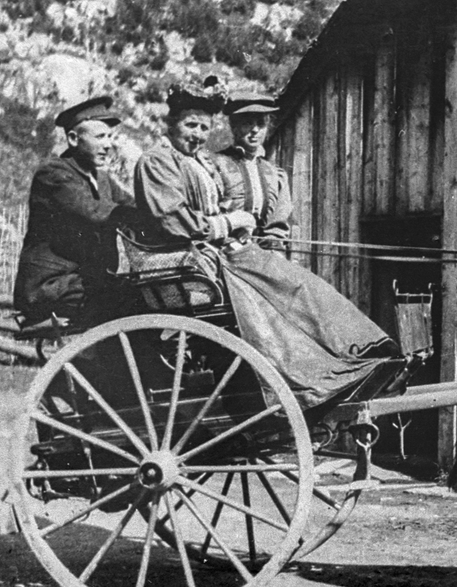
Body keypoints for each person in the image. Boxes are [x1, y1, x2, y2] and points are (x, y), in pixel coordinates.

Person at [133, 80, 399, 409]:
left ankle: (357, 350)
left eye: (203, 127)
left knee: (298, 285)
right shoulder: (157, 162)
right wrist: (231, 224)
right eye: (190, 125)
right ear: (171, 126)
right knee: (293, 288)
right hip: (199, 258)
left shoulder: (196, 163)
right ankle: (321, 376)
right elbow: (174, 221)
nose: (198, 134)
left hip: (221, 251)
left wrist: (242, 231)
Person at [13, 96, 141, 327]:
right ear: (73, 139)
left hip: (83, 282)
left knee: (145, 293)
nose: (108, 144)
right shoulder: (53, 174)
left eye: (110, 137)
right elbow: (93, 212)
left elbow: (132, 206)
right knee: (132, 299)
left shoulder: (102, 179)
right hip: (51, 286)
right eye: (100, 136)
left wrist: (162, 215)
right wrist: (137, 217)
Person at [212, 92, 292, 245]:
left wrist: (272, 247)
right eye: (247, 123)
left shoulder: (275, 175)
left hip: (262, 255)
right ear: (234, 127)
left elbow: (277, 227)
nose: (255, 130)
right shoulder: (216, 165)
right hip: (222, 251)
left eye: (261, 124)